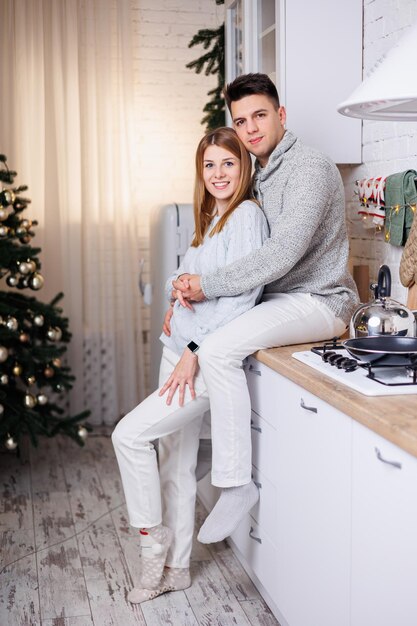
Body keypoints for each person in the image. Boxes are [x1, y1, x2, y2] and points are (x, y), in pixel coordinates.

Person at [170, 73, 360, 545]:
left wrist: (206, 286)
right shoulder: (260, 171)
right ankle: (213, 463)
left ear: (281, 115)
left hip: (322, 302)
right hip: (279, 301)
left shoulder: (309, 167)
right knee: (207, 343)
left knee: (215, 352)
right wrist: (185, 291)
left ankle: (236, 485)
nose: (251, 128)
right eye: (241, 120)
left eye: (259, 115)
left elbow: (280, 255)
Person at [112, 127, 269, 603]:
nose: (218, 174)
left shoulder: (246, 217)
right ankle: (175, 569)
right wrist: (175, 293)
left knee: (129, 435)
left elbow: (243, 298)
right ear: (200, 172)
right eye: (209, 165)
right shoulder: (211, 219)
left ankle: (150, 542)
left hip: (194, 361)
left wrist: (194, 349)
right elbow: (180, 276)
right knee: (175, 466)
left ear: (244, 168)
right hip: (176, 349)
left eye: (228, 163)